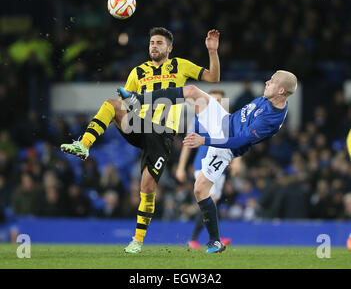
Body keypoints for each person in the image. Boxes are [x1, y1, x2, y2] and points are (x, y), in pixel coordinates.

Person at [61, 27, 221, 253]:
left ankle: (137, 240)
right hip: (139, 125)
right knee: (112, 104)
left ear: (169, 48)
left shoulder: (180, 65)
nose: (154, 46)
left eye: (159, 43)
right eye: (151, 43)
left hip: (163, 134)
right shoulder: (138, 72)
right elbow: (127, 101)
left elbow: (213, 78)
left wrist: (212, 51)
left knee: (146, 187)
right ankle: (83, 144)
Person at [118, 70, 297, 253]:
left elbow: (241, 141)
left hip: (225, 146)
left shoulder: (272, 119)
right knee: (192, 91)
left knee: (200, 189)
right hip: (223, 121)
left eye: (272, 81)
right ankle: (137, 99)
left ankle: (215, 241)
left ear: (282, 91)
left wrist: (205, 140)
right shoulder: (270, 98)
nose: (267, 82)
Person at [175, 89, 237, 249]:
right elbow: (187, 146)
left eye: (219, 100)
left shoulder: (227, 121)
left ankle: (214, 236)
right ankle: (196, 239)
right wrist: (181, 167)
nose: (216, 103)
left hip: (220, 168)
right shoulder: (199, 120)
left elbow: (236, 142)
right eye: (213, 100)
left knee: (211, 202)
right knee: (210, 199)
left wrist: (236, 162)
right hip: (202, 164)